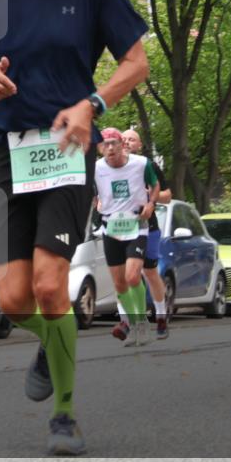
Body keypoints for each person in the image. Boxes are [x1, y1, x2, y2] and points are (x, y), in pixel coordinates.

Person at [0, 0, 149, 456]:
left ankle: (64, 415)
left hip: (67, 146)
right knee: (14, 300)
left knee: (48, 284)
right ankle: (54, 335)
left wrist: (94, 105)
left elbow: (136, 61)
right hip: (8, 149)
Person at [97, 128, 159, 348]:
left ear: (122, 145)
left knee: (133, 276)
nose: (110, 148)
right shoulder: (96, 168)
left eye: (114, 143)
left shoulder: (141, 164)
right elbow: (90, 191)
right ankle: (132, 324)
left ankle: (142, 322)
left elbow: (155, 185)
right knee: (119, 283)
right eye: (105, 145)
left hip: (136, 225)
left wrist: (151, 204)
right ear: (100, 148)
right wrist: (96, 201)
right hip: (111, 227)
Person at [121, 129, 172, 339]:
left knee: (150, 272)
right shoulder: (111, 167)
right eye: (123, 139)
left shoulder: (148, 166)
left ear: (139, 145)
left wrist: (150, 195)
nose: (126, 142)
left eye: (131, 139)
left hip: (148, 227)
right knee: (124, 274)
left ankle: (160, 315)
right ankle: (126, 321)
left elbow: (167, 196)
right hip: (121, 228)